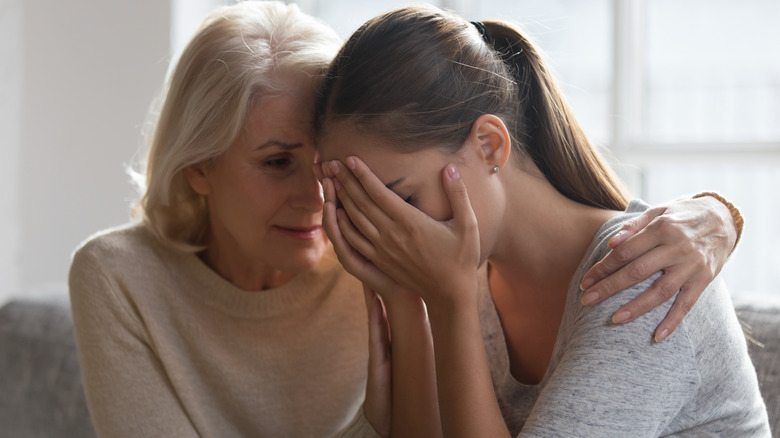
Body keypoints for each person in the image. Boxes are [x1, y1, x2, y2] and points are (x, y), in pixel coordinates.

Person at [69, 1, 741, 437]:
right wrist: (415, 299)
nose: (328, 208)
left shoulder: (635, 275)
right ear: (199, 166)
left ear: (490, 146)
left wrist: (720, 213)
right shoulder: (449, 265)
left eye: (386, 194)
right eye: (279, 163)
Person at [315, 5, 770, 437]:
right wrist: (405, 297)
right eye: (357, 205)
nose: (384, 230)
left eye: (398, 197)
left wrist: (447, 299)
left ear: (490, 146)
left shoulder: (639, 272)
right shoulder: (459, 272)